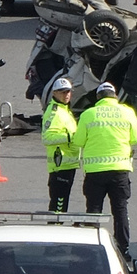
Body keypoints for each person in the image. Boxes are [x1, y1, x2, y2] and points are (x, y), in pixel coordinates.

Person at [69, 82, 137, 260]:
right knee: (120, 210)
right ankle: (123, 250)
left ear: (99, 98)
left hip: (95, 172)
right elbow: (136, 137)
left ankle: (94, 252)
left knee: (94, 210)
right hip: (120, 170)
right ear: (114, 96)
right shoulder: (127, 112)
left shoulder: (88, 114)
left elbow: (78, 141)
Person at [41, 77, 79, 213]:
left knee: (62, 205)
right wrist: (69, 137)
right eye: (62, 92)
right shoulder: (54, 113)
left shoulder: (65, 111)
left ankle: (56, 228)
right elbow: (47, 138)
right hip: (60, 165)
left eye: (68, 92)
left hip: (68, 164)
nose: (66, 95)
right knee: (58, 206)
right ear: (54, 93)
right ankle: (54, 230)